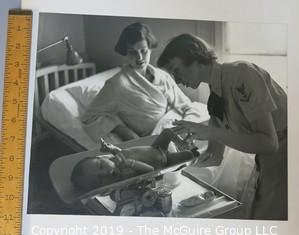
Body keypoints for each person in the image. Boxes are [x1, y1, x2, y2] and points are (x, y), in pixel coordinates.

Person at [157, 34, 287, 220]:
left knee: (264, 219)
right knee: (253, 213)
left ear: (194, 58)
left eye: (176, 70)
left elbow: (269, 143)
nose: (176, 80)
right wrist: (175, 164)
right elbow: (214, 156)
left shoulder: (242, 75)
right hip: (265, 161)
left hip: (288, 156)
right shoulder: (215, 99)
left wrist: (211, 132)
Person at [81, 23, 200, 142]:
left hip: (176, 128)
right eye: (133, 52)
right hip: (155, 139)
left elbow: (186, 105)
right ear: (125, 53)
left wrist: (189, 128)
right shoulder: (116, 85)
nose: (139, 57)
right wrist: (123, 131)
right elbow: (89, 116)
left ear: (150, 48)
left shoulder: (162, 76)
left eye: (143, 51)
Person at [71, 128, 199, 192]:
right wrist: (130, 164)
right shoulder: (125, 174)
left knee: (167, 132)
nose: (105, 172)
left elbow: (119, 152)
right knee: (187, 156)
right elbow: (151, 170)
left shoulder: (115, 159)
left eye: (100, 165)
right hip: (164, 160)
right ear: (102, 187)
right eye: (100, 179)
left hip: (156, 147)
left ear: (100, 158)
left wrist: (110, 148)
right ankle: (194, 153)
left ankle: (181, 143)